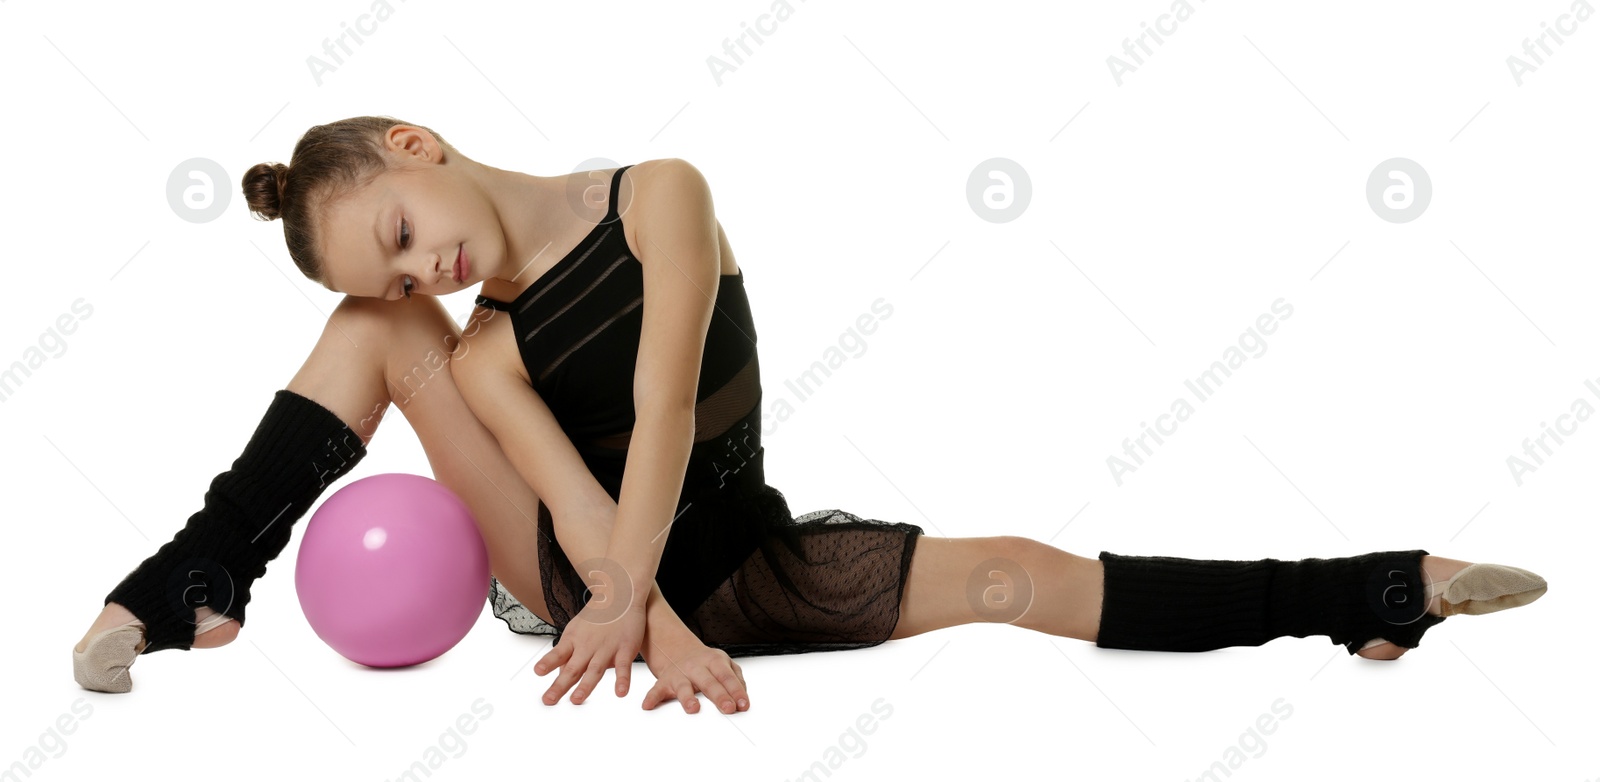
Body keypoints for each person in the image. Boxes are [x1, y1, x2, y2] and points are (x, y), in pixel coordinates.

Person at [74, 116, 1549, 714]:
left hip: (727, 546)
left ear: (418, 142)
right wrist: (643, 626)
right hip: (591, 571)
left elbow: (661, 412)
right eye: (398, 260)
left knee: (1015, 572)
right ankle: (196, 570)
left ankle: (1373, 591)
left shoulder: (658, 193)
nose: (423, 267)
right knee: (374, 339)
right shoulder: (481, 351)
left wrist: (681, 615)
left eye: (400, 227)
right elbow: (581, 514)